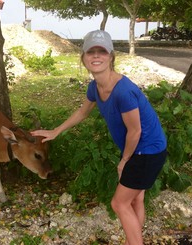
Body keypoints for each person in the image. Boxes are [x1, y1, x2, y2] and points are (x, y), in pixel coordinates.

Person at [31, 30, 167, 245]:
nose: (96, 56)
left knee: (119, 204)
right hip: (140, 149)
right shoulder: (95, 87)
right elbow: (82, 112)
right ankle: (135, 239)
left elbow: (135, 131)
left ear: (111, 56)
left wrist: (124, 161)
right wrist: (56, 131)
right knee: (135, 198)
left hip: (147, 151)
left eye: (101, 52)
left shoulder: (123, 91)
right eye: (90, 52)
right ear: (83, 58)